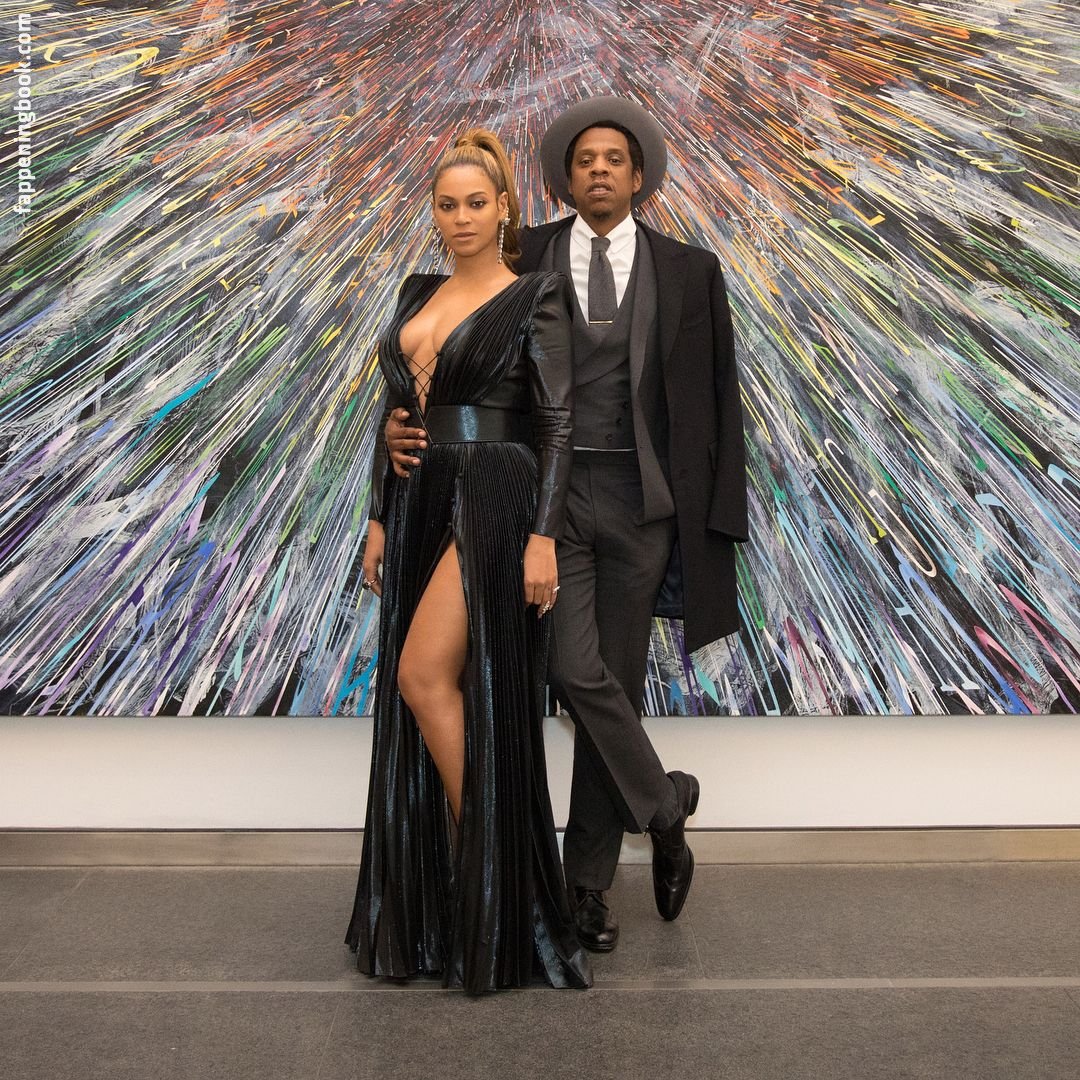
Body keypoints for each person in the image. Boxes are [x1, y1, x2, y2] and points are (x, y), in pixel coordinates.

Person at [385, 98, 749, 954]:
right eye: (585, 159)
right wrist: (407, 425)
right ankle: (664, 802)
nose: (599, 170)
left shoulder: (690, 271)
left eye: (614, 159)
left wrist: (717, 517)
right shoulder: (525, 255)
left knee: (608, 683)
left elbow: (717, 397)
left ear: (639, 176)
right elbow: (463, 353)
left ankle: (586, 889)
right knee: (572, 670)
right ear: (563, 178)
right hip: (540, 495)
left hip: (642, 500)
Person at [344, 128, 592, 993]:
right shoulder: (418, 290)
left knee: (424, 677)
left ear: (504, 209)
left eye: (476, 204)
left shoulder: (536, 295)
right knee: (433, 689)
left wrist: (542, 536)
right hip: (418, 497)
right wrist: (379, 511)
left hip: (492, 495)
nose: (460, 218)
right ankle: (469, 885)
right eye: (447, 205)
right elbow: (395, 412)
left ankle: (502, 880)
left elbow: (557, 422)